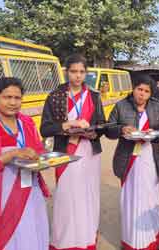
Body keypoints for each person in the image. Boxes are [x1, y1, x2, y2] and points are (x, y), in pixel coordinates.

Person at [40, 54, 106, 250]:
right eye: (73, 71)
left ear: (86, 73)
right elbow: (45, 128)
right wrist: (67, 124)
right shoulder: (56, 96)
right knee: (67, 197)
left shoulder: (94, 96)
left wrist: (96, 131)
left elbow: (101, 124)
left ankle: (87, 237)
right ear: (66, 72)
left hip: (89, 152)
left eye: (81, 72)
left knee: (89, 194)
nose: (77, 76)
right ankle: (65, 241)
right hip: (65, 151)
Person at [106, 74, 159, 250]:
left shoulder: (158, 108)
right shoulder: (121, 106)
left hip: (151, 158)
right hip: (128, 159)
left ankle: (153, 242)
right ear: (133, 89)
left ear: (150, 94)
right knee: (130, 200)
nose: (142, 94)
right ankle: (130, 242)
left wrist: (155, 133)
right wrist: (121, 129)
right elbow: (108, 129)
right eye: (139, 89)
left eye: (146, 91)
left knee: (151, 200)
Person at [0, 77, 50, 250]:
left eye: (17, 98)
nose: (13, 103)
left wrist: (42, 156)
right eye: (7, 97)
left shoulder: (27, 122)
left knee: (31, 229)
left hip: (30, 189)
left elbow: (38, 149)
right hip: (0, 193)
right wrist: (13, 154)